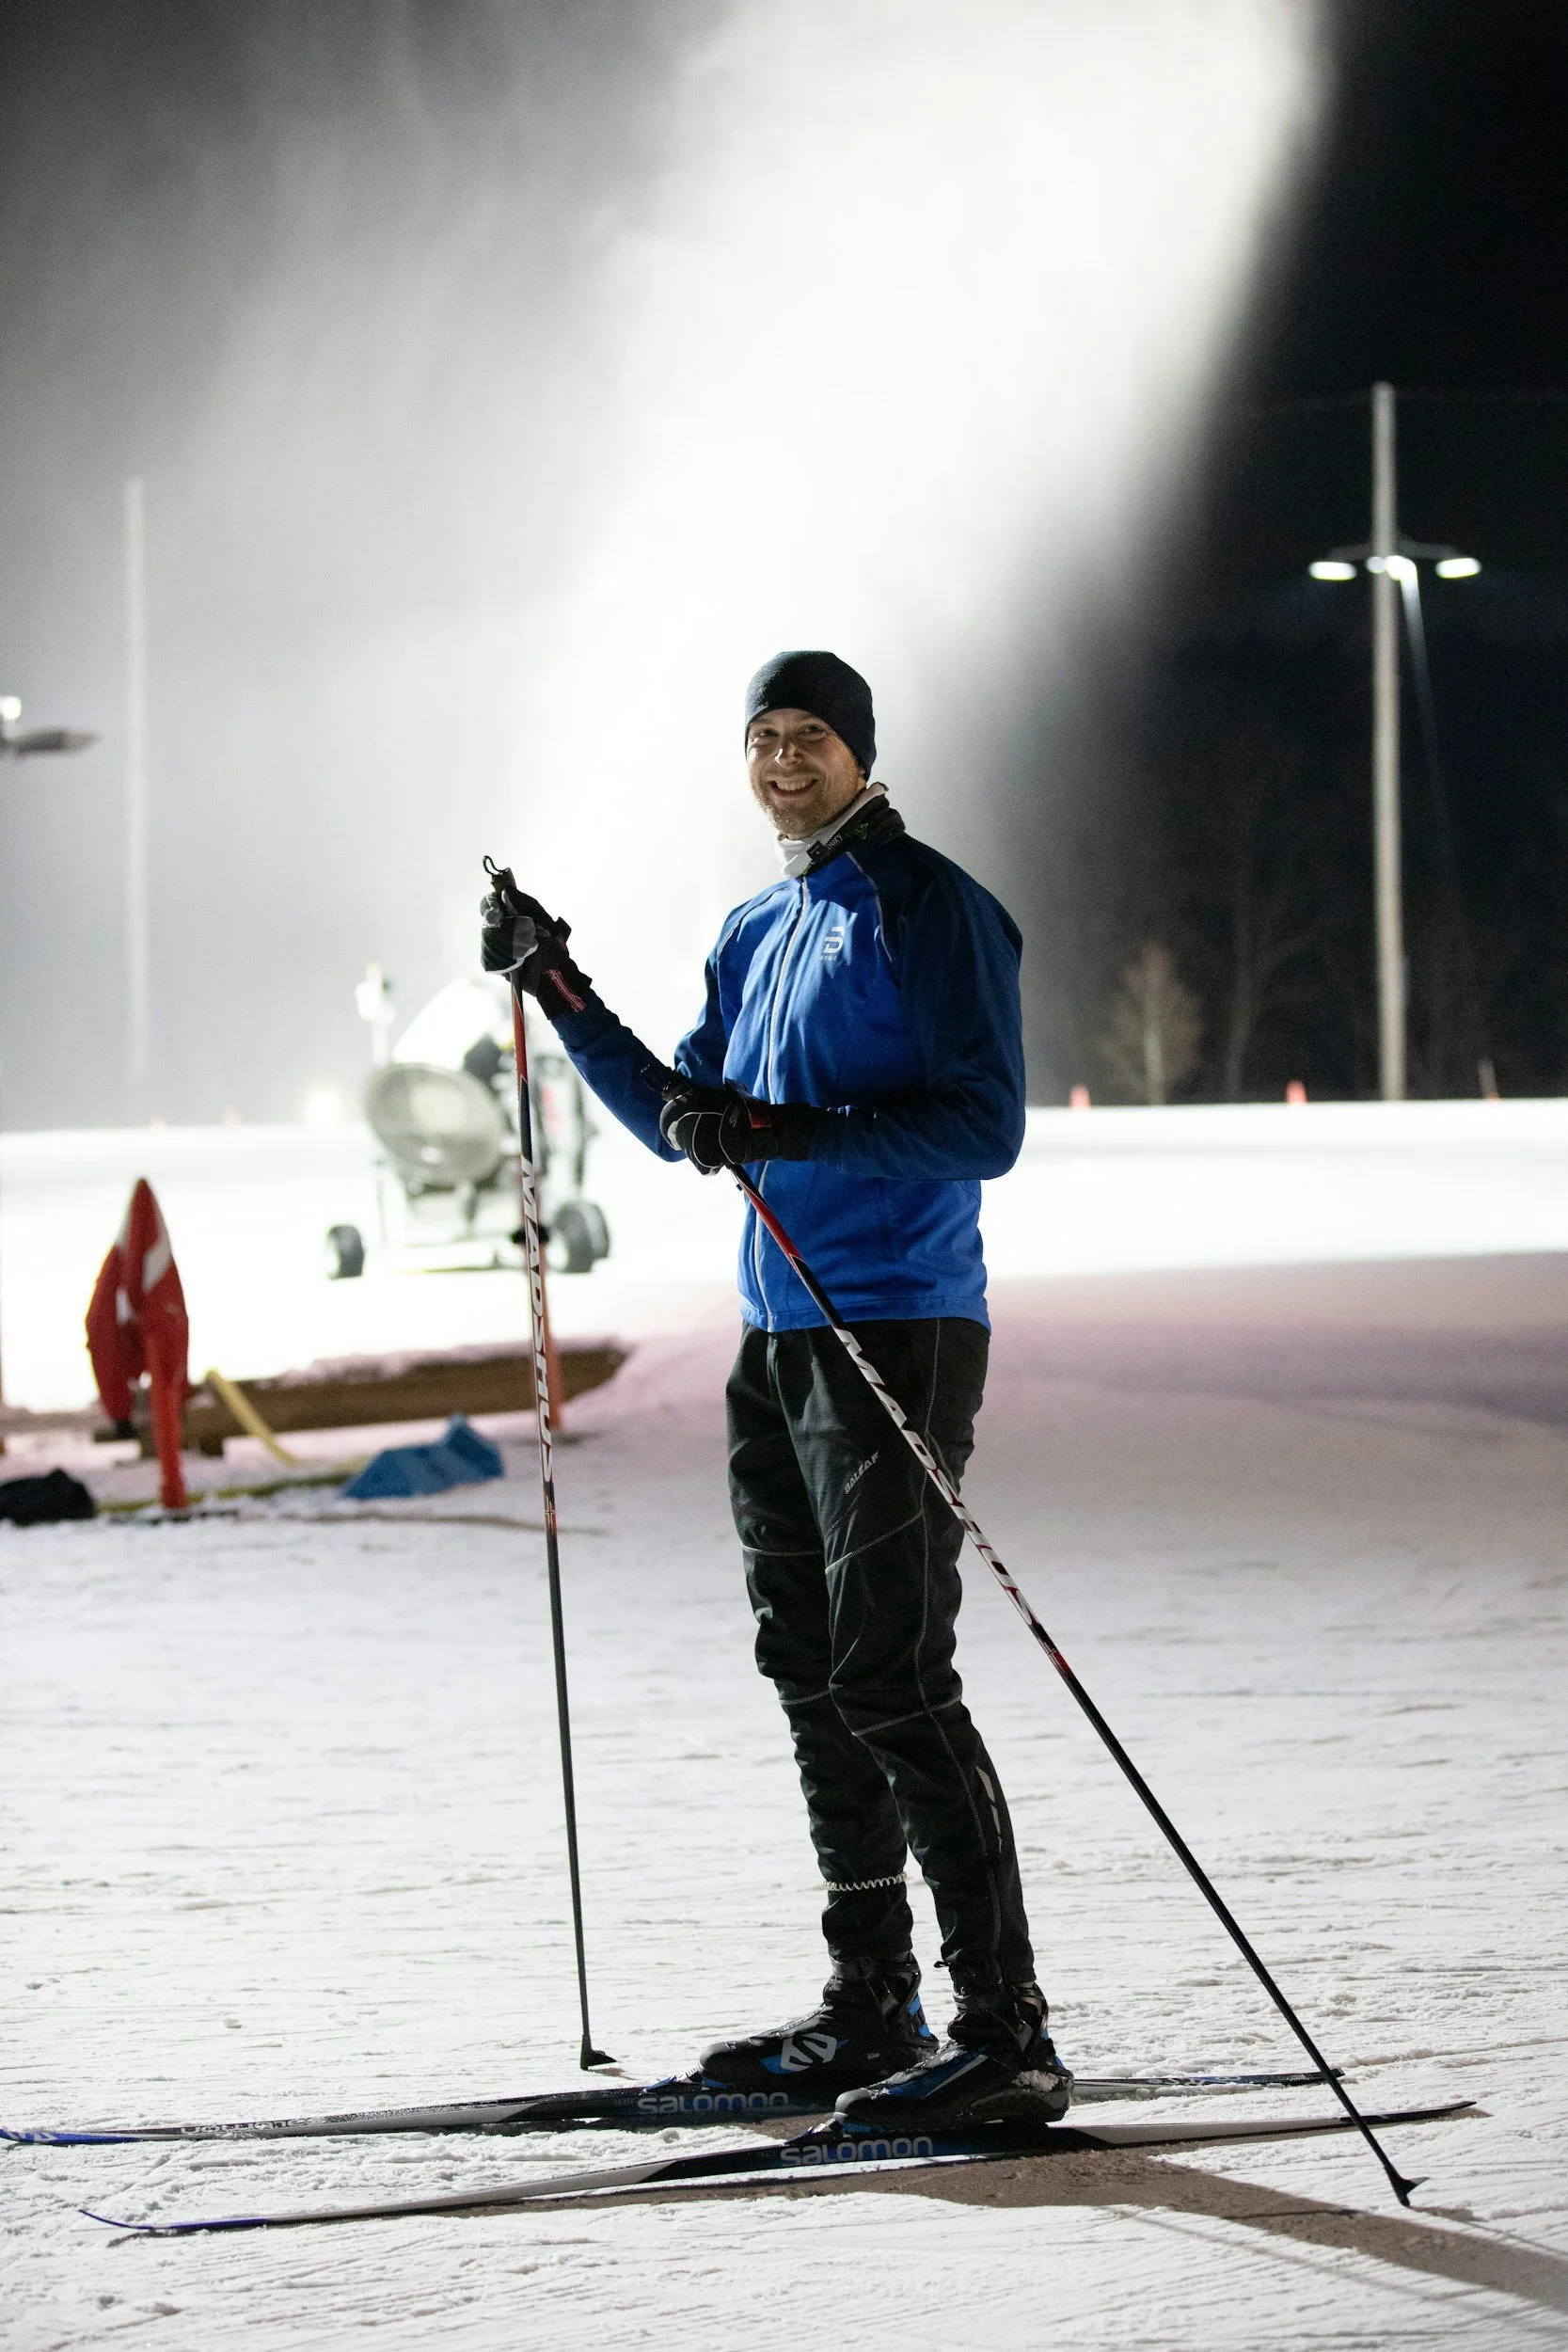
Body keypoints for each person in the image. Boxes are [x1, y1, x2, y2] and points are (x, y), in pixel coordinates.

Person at [480, 649, 1070, 2128]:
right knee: (807, 1665)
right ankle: (872, 2001)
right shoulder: (756, 926)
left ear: (861, 754)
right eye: (761, 737)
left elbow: (980, 1126)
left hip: (899, 1318)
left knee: (891, 1675)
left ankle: (1005, 2030)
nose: (782, 759)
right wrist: (556, 983)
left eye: (810, 736)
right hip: (780, 1329)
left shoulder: (928, 905)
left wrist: (783, 1128)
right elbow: (683, 1117)